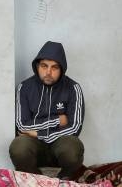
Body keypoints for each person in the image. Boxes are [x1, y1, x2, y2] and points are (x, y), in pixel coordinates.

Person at [9, 41, 84, 179]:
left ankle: (63, 180)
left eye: (54, 67)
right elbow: (22, 125)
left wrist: (38, 133)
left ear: (62, 69)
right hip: (34, 147)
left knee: (72, 147)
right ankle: (36, 180)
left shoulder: (73, 88)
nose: (48, 72)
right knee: (19, 147)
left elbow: (74, 128)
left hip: (60, 145)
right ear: (37, 66)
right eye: (44, 66)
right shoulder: (24, 88)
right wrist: (56, 120)